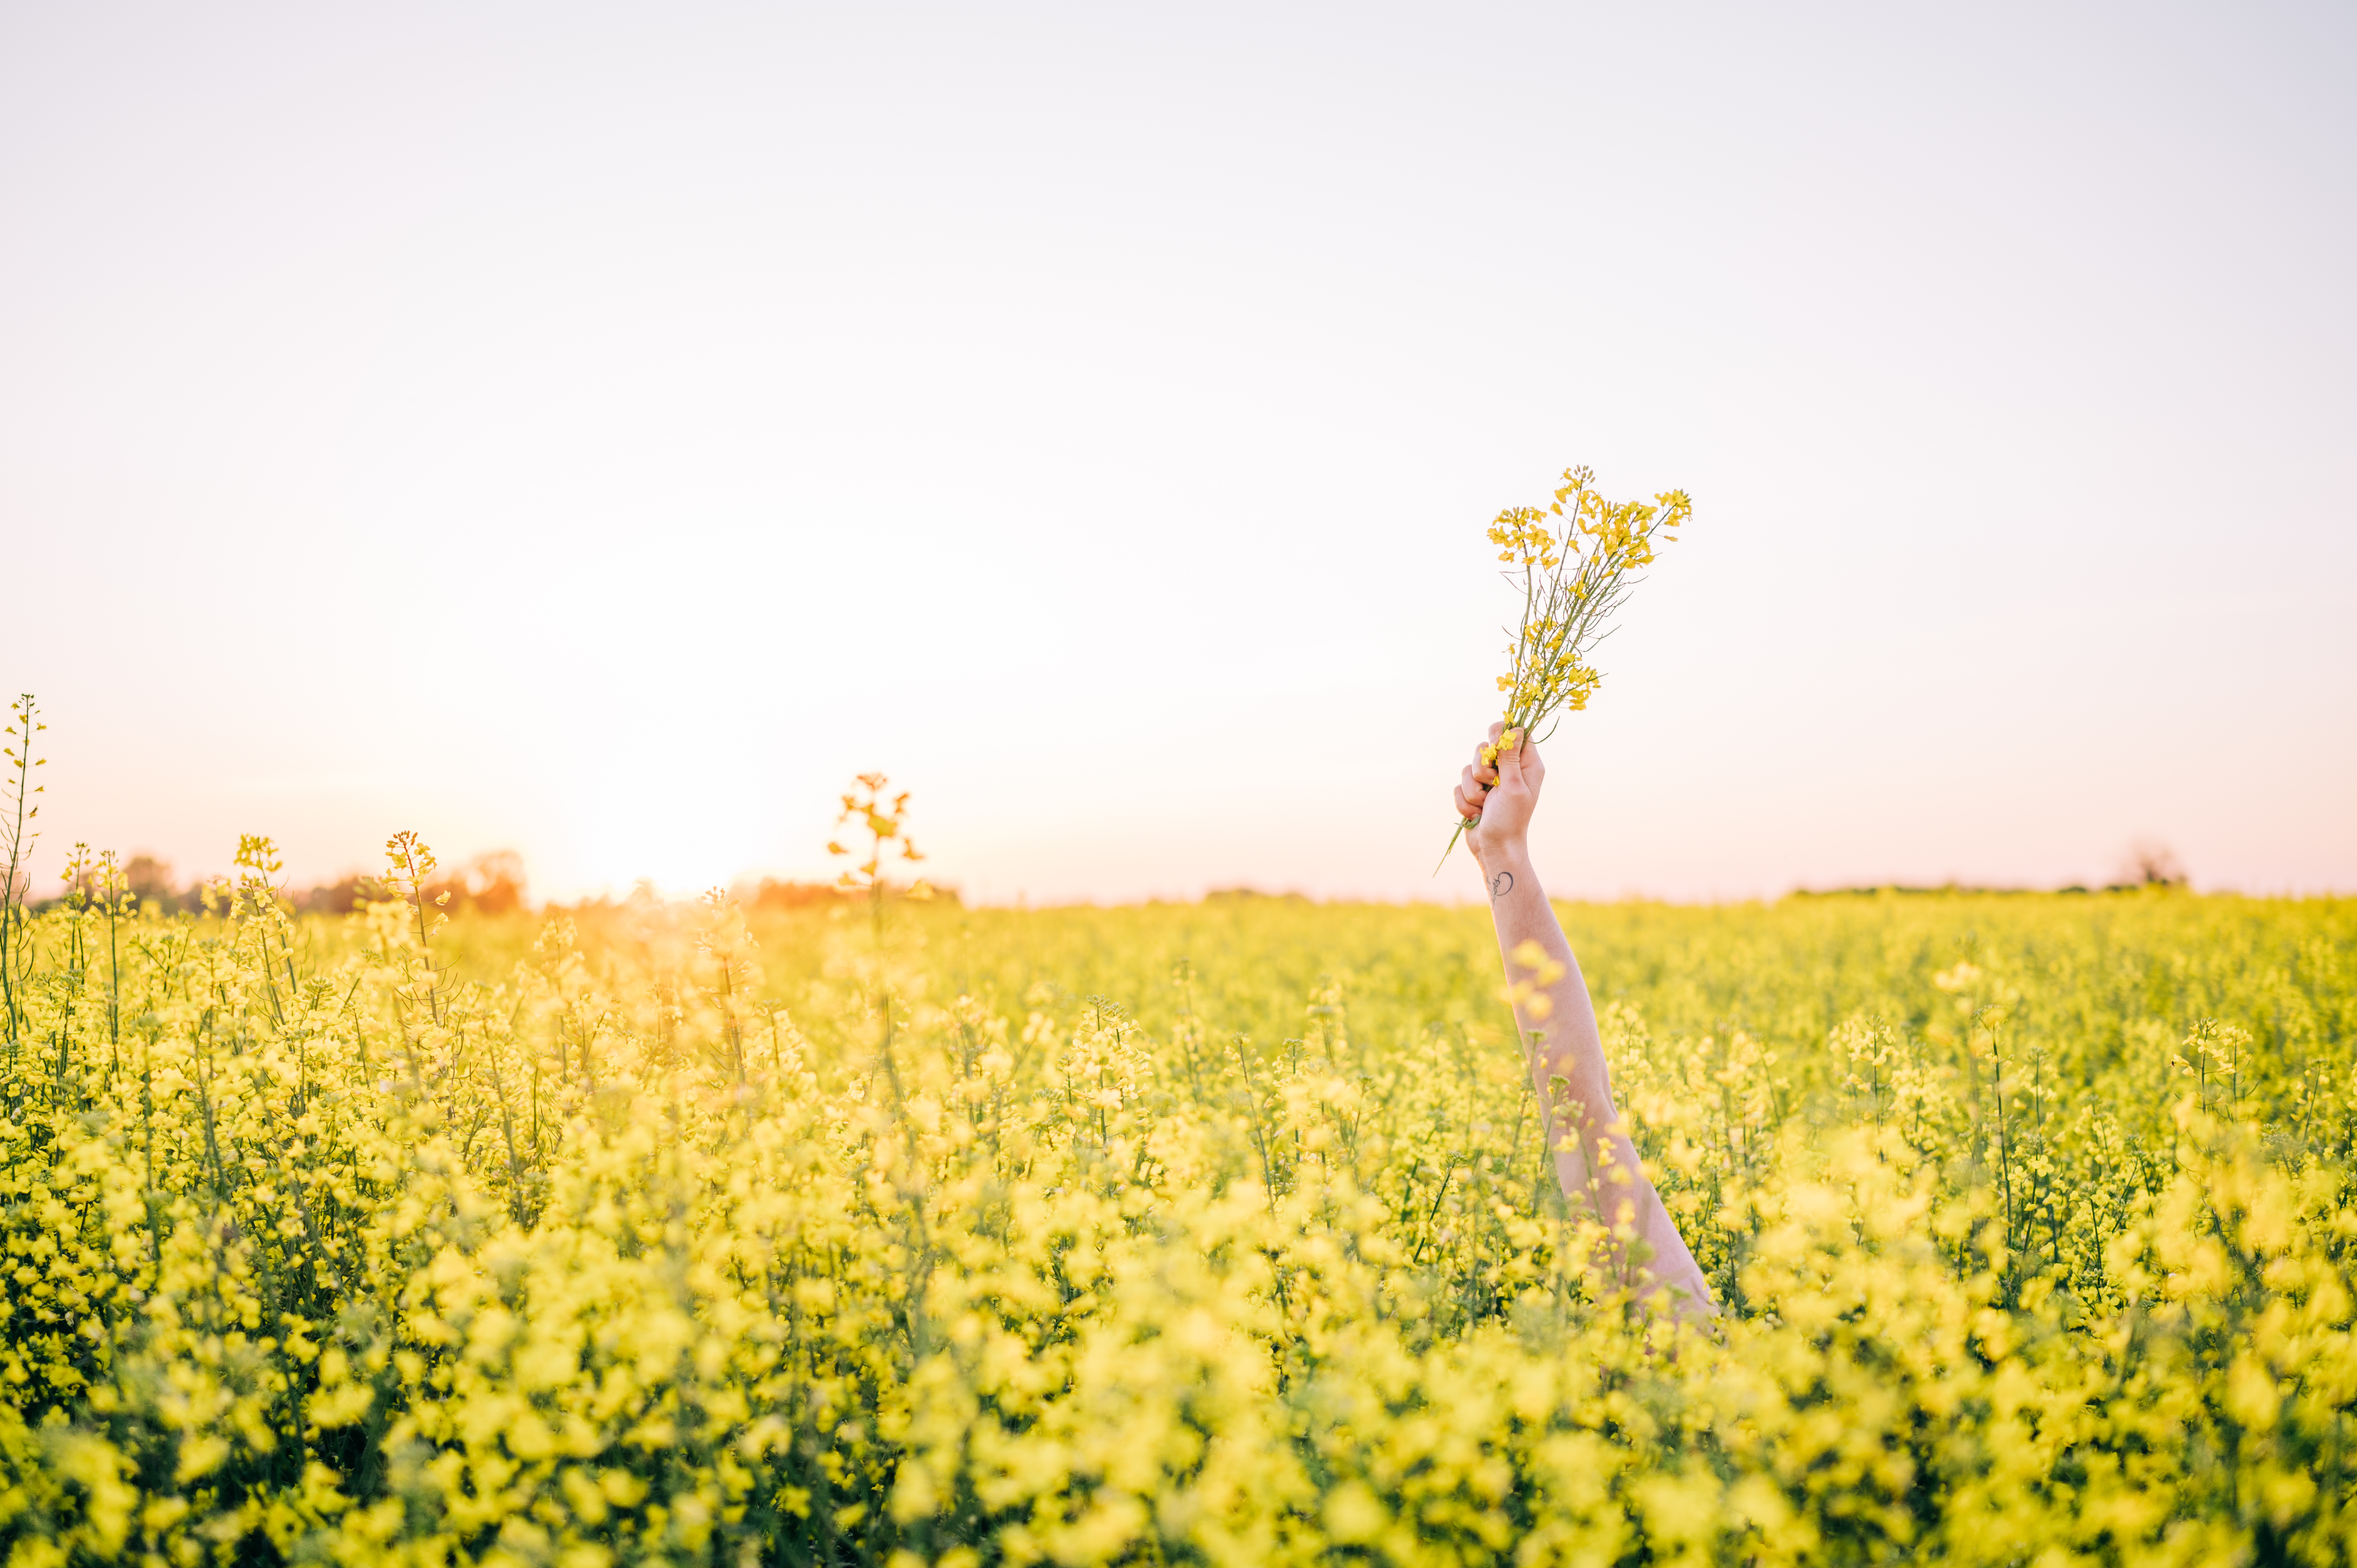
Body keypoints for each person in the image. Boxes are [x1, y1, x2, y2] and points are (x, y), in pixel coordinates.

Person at [1454, 722, 1716, 1316]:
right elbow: (1579, 1109)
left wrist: (1502, 851)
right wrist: (1500, 850)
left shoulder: (1697, 1368)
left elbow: (1578, 1108)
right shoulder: (1701, 1368)